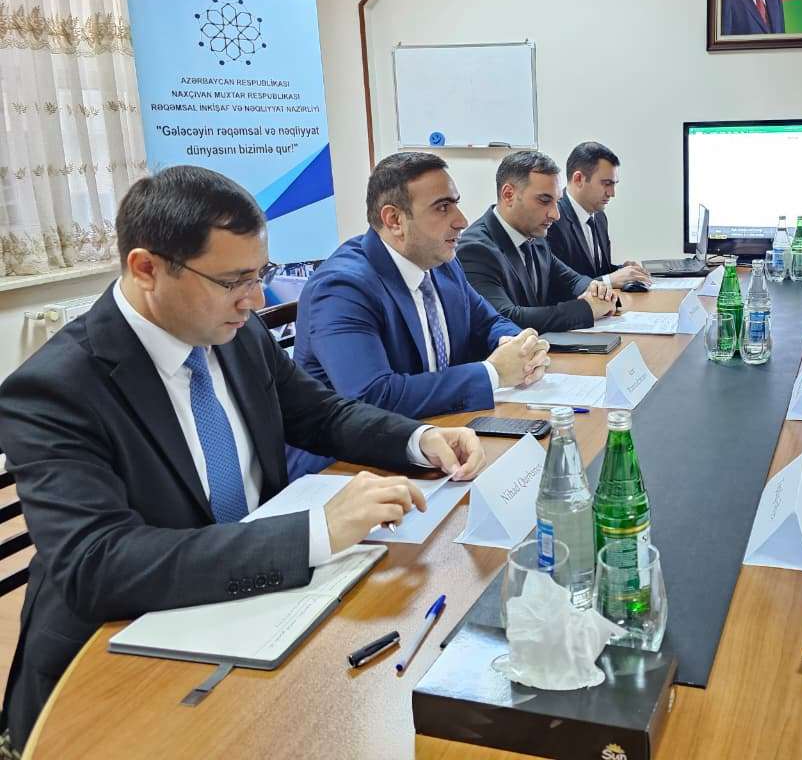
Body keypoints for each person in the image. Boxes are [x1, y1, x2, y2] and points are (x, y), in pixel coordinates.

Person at [0, 166, 485, 753]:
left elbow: (320, 414)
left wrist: (417, 439)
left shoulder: (235, 331)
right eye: (233, 281)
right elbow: (97, 563)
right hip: (120, 662)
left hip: (257, 612)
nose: (255, 300)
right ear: (146, 269)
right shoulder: (55, 389)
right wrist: (316, 531)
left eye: (261, 276)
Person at [292, 153, 550, 475]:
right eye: (443, 207)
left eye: (456, 203)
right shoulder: (343, 288)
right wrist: (493, 373)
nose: (461, 220)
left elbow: (489, 322)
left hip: (438, 435)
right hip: (347, 467)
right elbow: (371, 398)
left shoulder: (441, 262)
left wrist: (519, 347)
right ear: (394, 220)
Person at [456, 150, 618, 332]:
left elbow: (572, 281)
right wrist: (587, 309)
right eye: (544, 201)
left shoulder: (535, 236)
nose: (556, 215)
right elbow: (505, 318)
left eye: (557, 202)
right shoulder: (475, 250)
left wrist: (597, 289)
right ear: (508, 195)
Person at [547, 141, 651, 289]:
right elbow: (558, 287)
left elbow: (597, 272)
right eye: (607, 183)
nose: (612, 193)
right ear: (578, 179)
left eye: (614, 184)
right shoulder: (552, 220)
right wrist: (609, 280)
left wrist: (624, 271)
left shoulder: (599, 216)